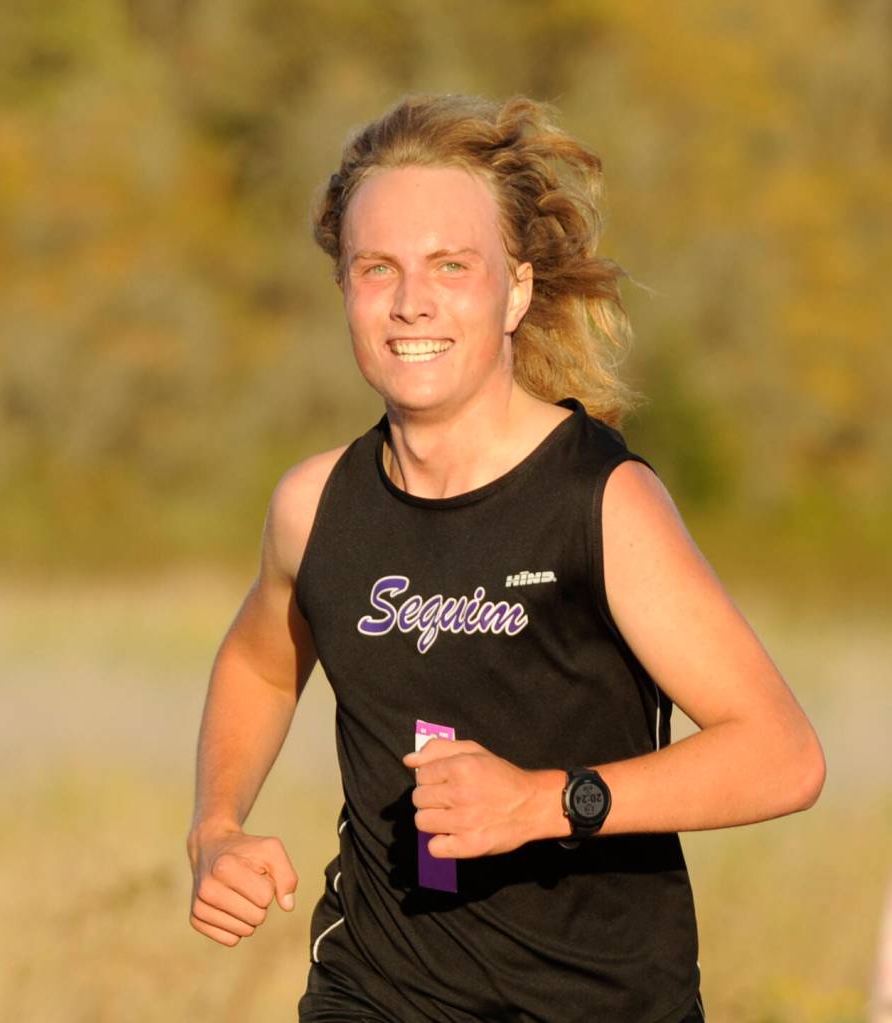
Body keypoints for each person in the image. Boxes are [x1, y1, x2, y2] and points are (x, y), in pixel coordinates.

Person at [186, 94, 826, 1022]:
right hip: (375, 989)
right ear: (345, 288)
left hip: (599, 1000)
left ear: (516, 289)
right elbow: (258, 660)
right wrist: (215, 828)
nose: (412, 302)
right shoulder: (315, 506)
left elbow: (784, 754)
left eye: (451, 265)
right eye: (378, 269)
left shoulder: (599, 500)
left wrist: (543, 803)